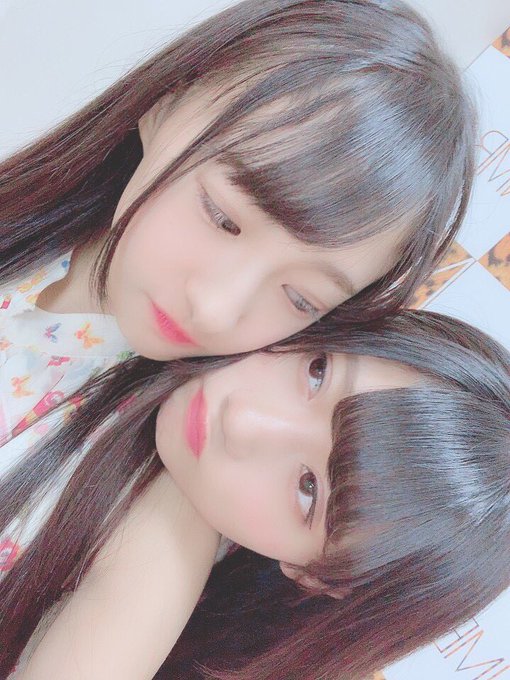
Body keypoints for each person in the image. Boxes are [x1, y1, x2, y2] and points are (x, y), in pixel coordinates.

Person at [0, 0, 476, 444]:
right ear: (167, 103)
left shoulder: (160, 453)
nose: (215, 310)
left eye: (301, 299)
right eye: (222, 218)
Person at [1, 310, 509, 679]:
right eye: (317, 371)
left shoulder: (157, 596)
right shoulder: (133, 312)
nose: (244, 420)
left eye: (308, 489)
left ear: (314, 575)